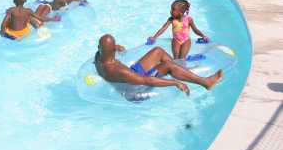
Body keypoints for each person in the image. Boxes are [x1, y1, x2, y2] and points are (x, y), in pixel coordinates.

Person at [95, 34, 223, 96]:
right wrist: (175, 83)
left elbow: (105, 49)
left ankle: (183, 70)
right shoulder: (118, 70)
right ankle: (205, 82)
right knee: (168, 65)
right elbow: (146, 80)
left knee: (158, 51)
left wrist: (116, 47)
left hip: (130, 76)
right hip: (134, 89)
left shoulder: (98, 56)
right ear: (112, 51)